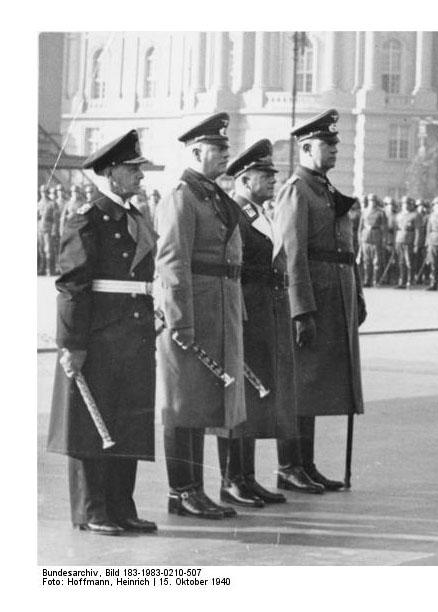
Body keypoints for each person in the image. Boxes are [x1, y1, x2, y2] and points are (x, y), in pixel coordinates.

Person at [48, 129, 158, 535]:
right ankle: (93, 510)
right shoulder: (87, 219)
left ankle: (120, 506)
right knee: (91, 426)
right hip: (98, 335)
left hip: (132, 333)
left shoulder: (137, 217)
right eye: (133, 170)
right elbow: (72, 285)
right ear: (111, 172)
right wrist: (72, 345)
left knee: (126, 419)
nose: (140, 177)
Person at [154, 112, 246, 519]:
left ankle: (195, 490)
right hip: (191, 312)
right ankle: (183, 491)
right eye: (218, 149)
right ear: (195, 152)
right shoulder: (182, 196)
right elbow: (173, 262)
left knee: (204, 401)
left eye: (227, 148)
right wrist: (180, 321)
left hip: (217, 307)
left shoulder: (210, 195)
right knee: (183, 402)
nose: (225, 155)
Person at [272, 109, 366, 491]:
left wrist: (356, 292)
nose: (333, 152)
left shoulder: (323, 188)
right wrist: (301, 309)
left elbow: (346, 248)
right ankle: (288, 466)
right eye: (327, 145)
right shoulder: (296, 190)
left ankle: (305, 464)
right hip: (314, 300)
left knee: (312, 386)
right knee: (299, 384)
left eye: (335, 146)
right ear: (306, 147)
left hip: (335, 297)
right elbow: (291, 254)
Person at [219, 139, 297, 504]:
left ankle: (246, 476)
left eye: (272, 175)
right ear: (245, 179)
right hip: (245, 309)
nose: (272, 181)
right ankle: (232, 478)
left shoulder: (259, 213)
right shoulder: (235, 212)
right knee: (239, 396)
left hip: (264, 309)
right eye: (265, 175)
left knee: (253, 396)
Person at [392, 196, 423, 289]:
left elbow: (418, 231)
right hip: (399, 240)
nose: (406, 206)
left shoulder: (415, 215)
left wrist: (417, 244)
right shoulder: (399, 215)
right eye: (404, 204)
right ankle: (402, 281)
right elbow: (395, 230)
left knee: (409, 262)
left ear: (411, 205)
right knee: (401, 262)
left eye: (408, 204)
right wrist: (394, 242)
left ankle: (410, 281)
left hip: (409, 240)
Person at [359, 194, 388, 287]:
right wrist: (360, 239)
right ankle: (367, 280)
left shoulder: (381, 212)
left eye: (374, 201)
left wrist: (384, 239)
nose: (372, 202)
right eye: (371, 200)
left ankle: (376, 280)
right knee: (366, 261)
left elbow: (384, 227)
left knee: (376, 261)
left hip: (376, 237)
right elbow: (361, 227)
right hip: (366, 238)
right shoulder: (364, 212)